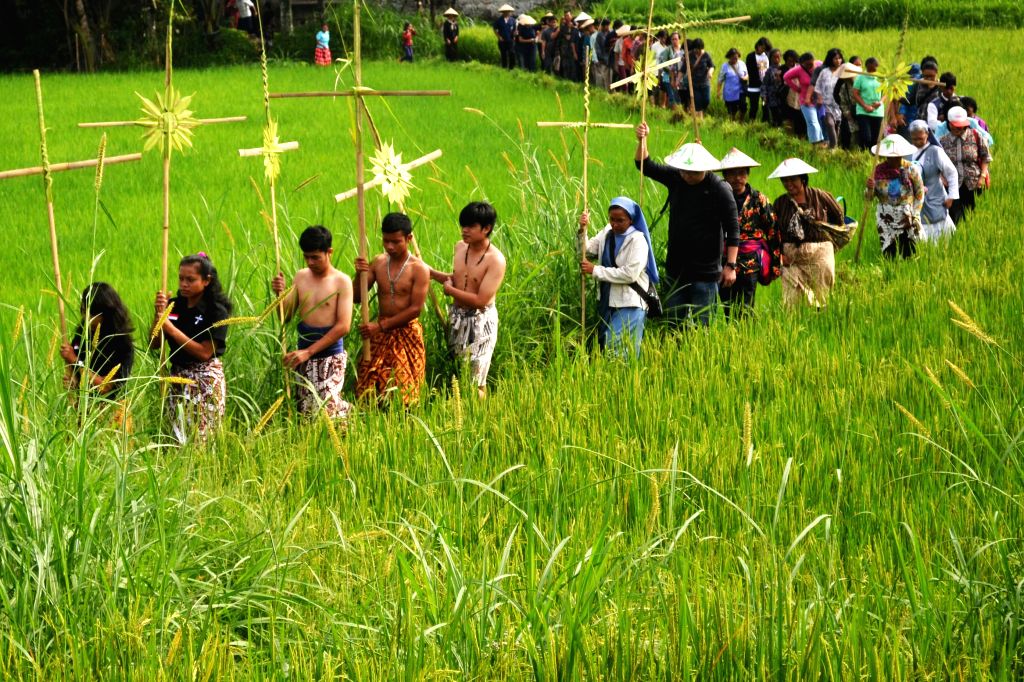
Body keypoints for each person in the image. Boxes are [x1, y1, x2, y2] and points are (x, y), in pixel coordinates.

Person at [634, 123, 738, 326]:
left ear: (705, 168)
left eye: (693, 172)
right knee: (672, 324)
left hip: (706, 274)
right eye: (684, 171)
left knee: (702, 328)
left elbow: (733, 229)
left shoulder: (719, 189)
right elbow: (644, 165)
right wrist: (642, 140)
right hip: (676, 270)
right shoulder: (676, 178)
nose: (688, 176)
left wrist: (731, 265)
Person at [271, 226, 353, 419]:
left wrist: (308, 352)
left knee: (329, 411)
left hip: (330, 356)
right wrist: (280, 295)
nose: (310, 262)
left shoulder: (342, 282)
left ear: (329, 252)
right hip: (303, 354)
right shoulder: (301, 276)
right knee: (307, 413)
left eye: (316, 257)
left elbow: (344, 326)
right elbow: (286, 316)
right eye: (307, 257)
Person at [428, 202, 507, 398]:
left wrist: (450, 291)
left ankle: (479, 416)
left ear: (486, 229)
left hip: (481, 322)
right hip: (458, 318)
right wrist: (429, 272)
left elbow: (481, 300)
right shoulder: (460, 247)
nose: (464, 230)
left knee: (476, 378)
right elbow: (459, 280)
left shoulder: (495, 260)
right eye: (463, 225)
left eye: (471, 226)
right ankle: (464, 412)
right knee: (461, 373)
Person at [152, 253, 232, 443]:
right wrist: (158, 316)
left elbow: (204, 352)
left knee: (201, 438)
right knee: (177, 437)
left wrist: (171, 329)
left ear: (206, 281)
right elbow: (155, 344)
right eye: (181, 278)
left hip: (203, 379)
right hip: (177, 377)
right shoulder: (174, 305)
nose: (184, 284)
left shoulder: (216, 311)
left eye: (190, 279)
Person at [353, 213, 429, 407]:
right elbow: (356, 297)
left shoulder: (418, 269)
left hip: (406, 333)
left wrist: (381, 326)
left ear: (409, 239)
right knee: (369, 390)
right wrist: (359, 274)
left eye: (396, 242)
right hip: (379, 334)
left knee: (405, 395)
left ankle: (406, 425)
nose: (390, 247)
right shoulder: (378, 262)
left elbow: (415, 309)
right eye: (386, 241)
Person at [579, 197, 658, 356]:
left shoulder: (638, 240)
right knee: (616, 345)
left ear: (630, 219)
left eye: (620, 220)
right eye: (612, 219)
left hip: (631, 301)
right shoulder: (607, 233)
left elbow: (630, 274)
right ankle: (624, 377)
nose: (615, 224)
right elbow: (586, 251)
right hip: (608, 299)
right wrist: (582, 230)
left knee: (614, 341)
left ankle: (622, 376)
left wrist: (595, 270)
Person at [769, 159, 845, 308]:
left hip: (820, 258)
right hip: (792, 260)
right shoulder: (780, 203)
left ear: (803, 179)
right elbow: (773, 231)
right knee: (793, 304)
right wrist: (780, 255)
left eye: (793, 179)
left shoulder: (820, 196)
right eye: (784, 180)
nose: (788, 183)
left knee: (822, 299)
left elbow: (839, 217)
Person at [717, 148, 780, 316]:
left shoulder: (758, 199)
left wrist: (775, 262)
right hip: (723, 260)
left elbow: (773, 229)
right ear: (725, 175)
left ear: (747, 174)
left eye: (742, 173)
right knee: (728, 307)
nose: (738, 178)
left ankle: (746, 338)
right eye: (732, 174)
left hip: (750, 262)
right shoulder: (718, 197)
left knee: (746, 307)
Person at [60, 282, 135, 399]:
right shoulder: (82, 334)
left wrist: (74, 360)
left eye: (92, 314)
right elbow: (78, 372)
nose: (87, 318)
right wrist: (72, 381)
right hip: (83, 409)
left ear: (107, 314)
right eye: (84, 311)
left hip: (112, 411)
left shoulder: (123, 345)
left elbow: (104, 387)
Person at [867, 134, 924, 259]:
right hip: (885, 218)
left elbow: (919, 193)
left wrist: (916, 213)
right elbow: (868, 198)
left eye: (897, 157)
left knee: (909, 251)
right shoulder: (877, 171)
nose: (894, 160)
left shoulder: (911, 169)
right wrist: (870, 188)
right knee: (889, 253)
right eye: (890, 157)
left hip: (906, 216)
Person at [907, 119, 958, 243]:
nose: (917, 142)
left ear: (927, 134)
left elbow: (951, 173)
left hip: (935, 198)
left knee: (939, 228)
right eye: (914, 139)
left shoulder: (935, 151)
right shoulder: (907, 153)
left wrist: (952, 196)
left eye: (920, 138)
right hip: (915, 199)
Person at [940, 106, 991, 225]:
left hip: (974, 183)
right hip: (953, 185)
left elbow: (986, 157)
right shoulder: (943, 141)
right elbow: (939, 164)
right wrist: (942, 178)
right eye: (956, 126)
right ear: (949, 124)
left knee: (975, 217)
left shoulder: (976, 136)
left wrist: (983, 176)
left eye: (961, 126)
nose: (959, 129)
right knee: (956, 218)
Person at [785, 52, 826, 146]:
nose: (809, 66)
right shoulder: (798, 70)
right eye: (806, 65)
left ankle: (822, 142)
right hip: (806, 100)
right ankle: (815, 143)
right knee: (812, 122)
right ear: (802, 64)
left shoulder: (819, 64)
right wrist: (797, 89)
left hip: (820, 99)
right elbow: (786, 77)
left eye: (811, 64)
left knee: (821, 121)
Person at [814, 48, 844, 148]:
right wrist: (819, 98)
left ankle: (834, 145)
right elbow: (818, 86)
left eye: (840, 58)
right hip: (827, 104)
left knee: (837, 126)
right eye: (835, 58)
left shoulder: (844, 72)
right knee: (829, 123)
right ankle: (833, 147)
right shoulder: (824, 72)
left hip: (840, 105)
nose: (838, 61)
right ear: (830, 59)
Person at [852, 57, 884, 150]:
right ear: (867, 67)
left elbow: (886, 93)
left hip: (877, 111)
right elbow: (855, 93)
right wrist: (865, 106)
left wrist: (880, 102)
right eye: (871, 69)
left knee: (876, 138)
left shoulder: (881, 77)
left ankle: (872, 156)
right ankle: (864, 153)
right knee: (866, 137)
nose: (873, 71)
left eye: (875, 69)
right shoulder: (860, 77)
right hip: (863, 111)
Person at [834, 60, 862, 150]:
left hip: (865, 112)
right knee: (853, 133)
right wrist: (847, 113)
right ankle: (853, 151)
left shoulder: (862, 84)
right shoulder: (844, 87)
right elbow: (843, 103)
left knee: (865, 134)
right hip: (852, 113)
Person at [717, 47, 749, 121]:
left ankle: (741, 121)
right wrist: (718, 92)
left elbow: (747, 74)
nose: (735, 60)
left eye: (736, 58)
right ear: (729, 57)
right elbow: (720, 80)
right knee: (732, 110)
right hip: (730, 92)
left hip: (741, 90)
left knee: (743, 107)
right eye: (733, 58)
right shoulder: (724, 66)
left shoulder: (742, 64)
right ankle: (732, 122)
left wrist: (745, 78)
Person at [745, 37, 772, 123]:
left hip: (765, 86)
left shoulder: (767, 55)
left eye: (765, 49)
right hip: (754, 86)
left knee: (765, 105)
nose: (763, 50)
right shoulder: (750, 56)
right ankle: (752, 121)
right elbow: (749, 71)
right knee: (754, 106)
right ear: (758, 46)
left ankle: (765, 122)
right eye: (762, 48)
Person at [686, 37, 714, 118]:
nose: (696, 51)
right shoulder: (690, 55)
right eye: (695, 49)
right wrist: (677, 80)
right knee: (697, 102)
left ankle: (699, 116)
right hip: (694, 84)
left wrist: (710, 72)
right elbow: (684, 68)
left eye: (698, 49)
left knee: (706, 100)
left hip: (705, 83)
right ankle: (699, 119)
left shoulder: (706, 55)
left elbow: (712, 66)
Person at [760, 48, 786, 127]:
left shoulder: (784, 69)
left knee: (783, 114)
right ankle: (775, 129)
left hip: (782, 96)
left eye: (778, 57)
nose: (776, 59)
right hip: (772, 97)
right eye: (774, 57)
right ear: (771, 58)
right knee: (775, 115)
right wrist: (764, 96)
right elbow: (764, 84)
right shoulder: (769, 71)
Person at [494, 5, 517, 70]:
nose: (507, 13)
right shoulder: (499, 20)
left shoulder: (513, 20)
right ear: (503, 12)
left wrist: (515, 33)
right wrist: (499, 37)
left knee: (512, 53)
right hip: (502, 40)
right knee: (503, 54)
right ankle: (504, 67)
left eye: (509, 12)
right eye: (506, 12)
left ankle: (511, 68)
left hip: (510, 40)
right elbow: (495, 29)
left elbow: (514, 29)